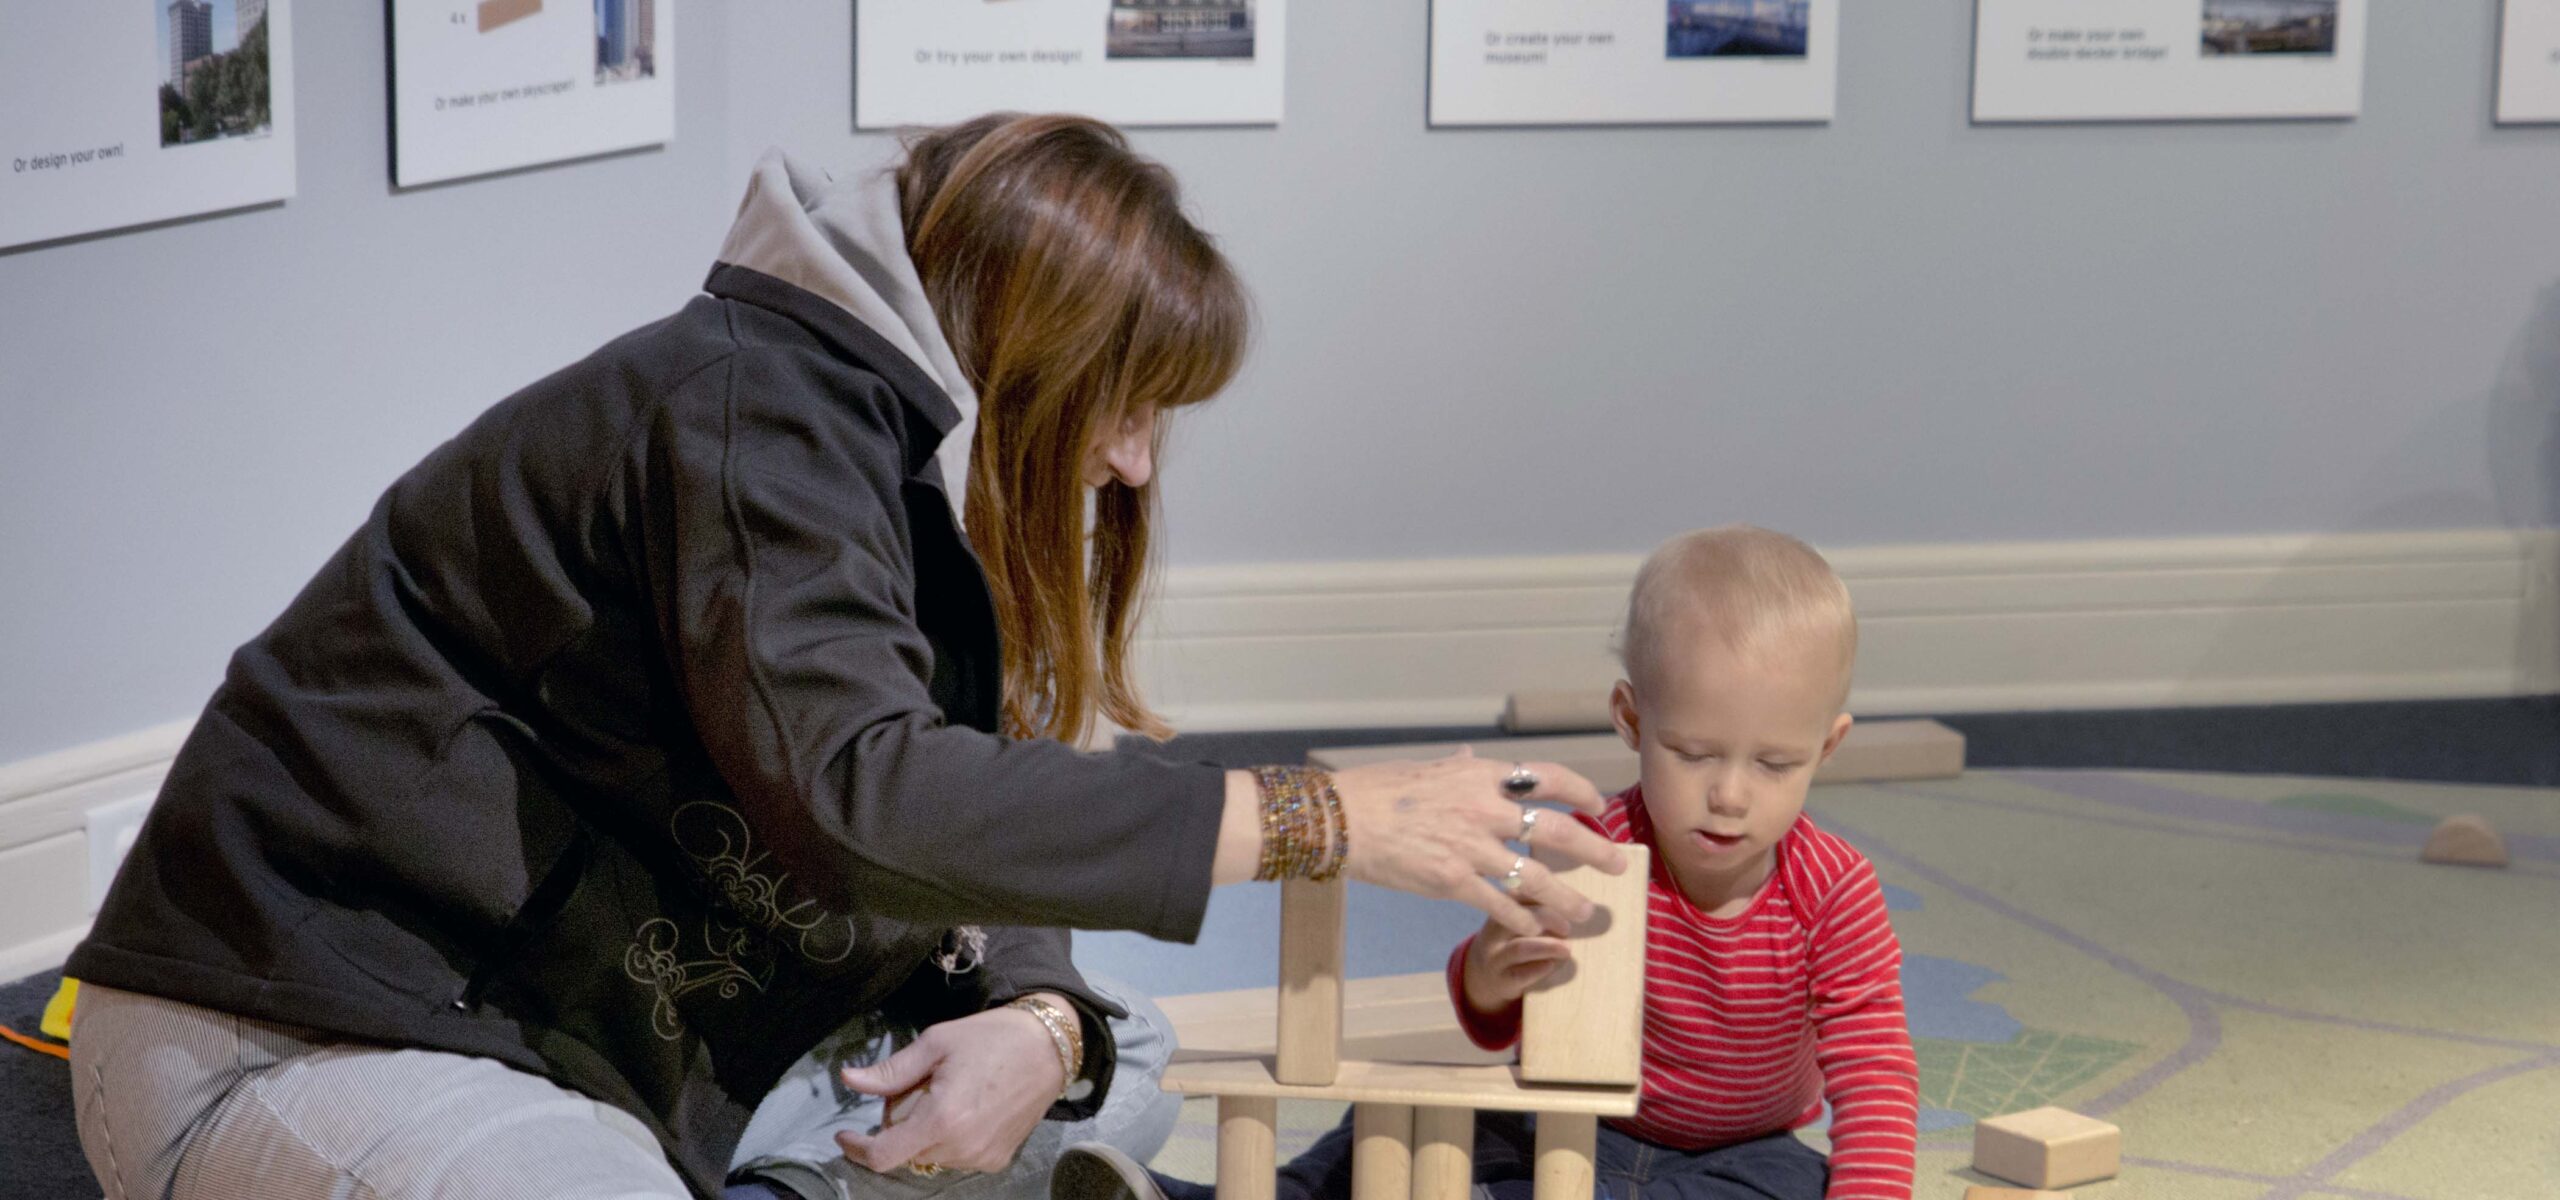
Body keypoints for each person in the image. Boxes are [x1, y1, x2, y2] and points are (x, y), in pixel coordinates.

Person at [61, 113, 1627, 1200]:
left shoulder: (877, 452)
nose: (1138, 464)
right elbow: (867, 794)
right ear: (1027, 356)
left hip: (605, 1042)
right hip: (312, 1040)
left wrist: (1035, 1026)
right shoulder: (754, 421)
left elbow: (973, 810)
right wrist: (1316, 819)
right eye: (1127, 403)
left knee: (1110, 1036)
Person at [1058, 525, 1918, 1200]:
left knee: (1803, 1184)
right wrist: (1491, 979)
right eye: (1693, 752)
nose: (1730, 795)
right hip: (1567, 1123)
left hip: (1740, 1153)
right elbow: (1488, 1018)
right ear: (1630, 719)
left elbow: (1875, 1074)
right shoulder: (1592, 845)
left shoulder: (1831, 892)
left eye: (1774, 765)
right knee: (1396, 1130)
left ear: (1828, 745)